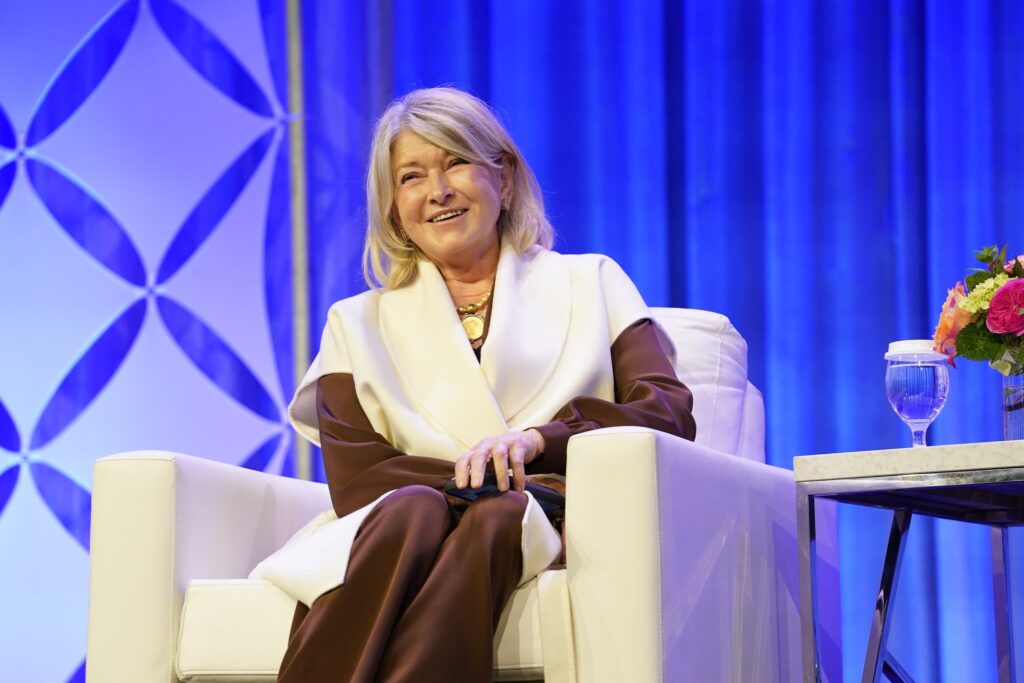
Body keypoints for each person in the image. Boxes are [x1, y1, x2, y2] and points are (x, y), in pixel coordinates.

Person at [256, 87, 696, 683]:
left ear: (505, 179)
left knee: (497, 517)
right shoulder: (354, 322)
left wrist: (540, 442)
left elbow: (668, 412)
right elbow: (358, 478)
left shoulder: (591, 280)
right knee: (415, 509)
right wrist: (475, 482)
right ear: (392, 208)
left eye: (456, 162)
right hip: (405, 520)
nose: (437, 190)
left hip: (560, 507)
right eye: (411, 176)